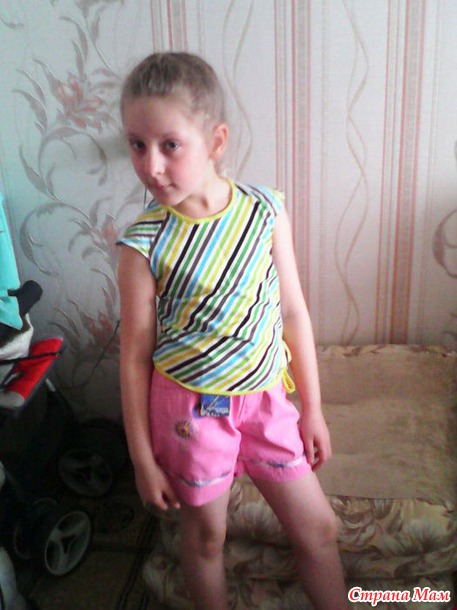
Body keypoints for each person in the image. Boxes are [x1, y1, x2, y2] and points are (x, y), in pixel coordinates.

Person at [117, 52, 348, 610]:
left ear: (215, 141)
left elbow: (292, 312)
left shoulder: (266, 212)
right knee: (206, 538)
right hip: (188, 412)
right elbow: (134, 357)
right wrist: (142, 460)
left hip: (267, 402)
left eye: (170, 145)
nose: (151, 165)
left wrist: (313, 408)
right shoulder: (141, 243)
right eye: (137, 145)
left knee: (319, 529)